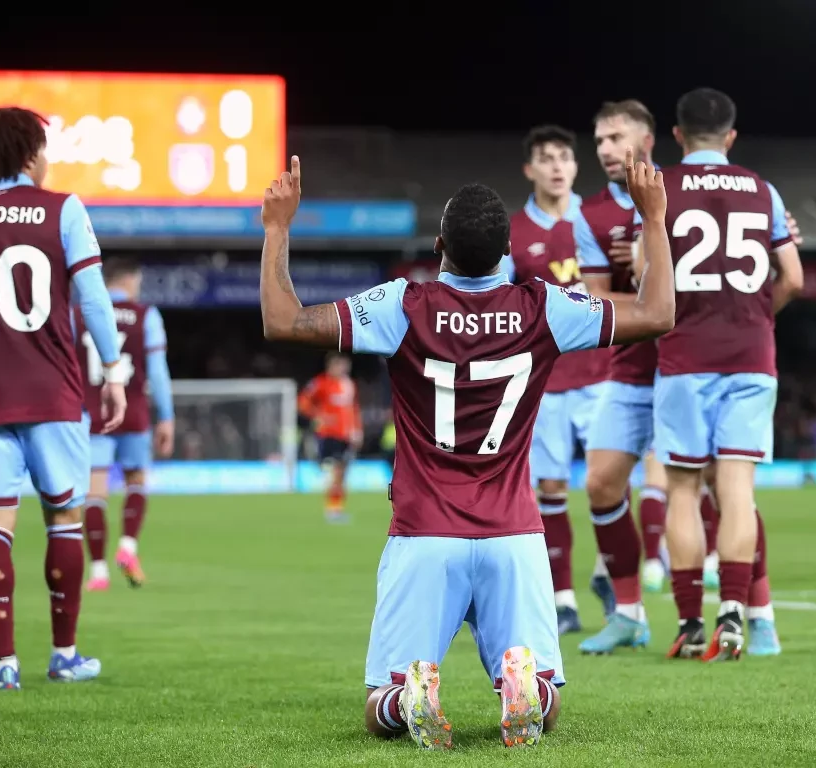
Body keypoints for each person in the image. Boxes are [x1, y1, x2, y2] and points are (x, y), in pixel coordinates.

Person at [258, 151, 674, 748]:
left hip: (424, 535)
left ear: (438, 245)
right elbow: (658, 312)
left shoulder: (402, 306)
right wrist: (652, 217)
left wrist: (278, 227)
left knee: (382, 708)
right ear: (509, 251)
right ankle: (525, 688)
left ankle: (409, 696)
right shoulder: (544, 306)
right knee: (548, 705)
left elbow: (283, 320)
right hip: (515, 537)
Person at [0, 107, 127, 689]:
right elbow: (93, 300)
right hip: (53, 390)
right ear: (27, 154)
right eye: (44, 148)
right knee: (64, 520)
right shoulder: (62, 209)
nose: (48, 159)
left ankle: (4, 665)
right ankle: (64, 655)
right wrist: (113, 368)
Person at [638, 88, 803, 661]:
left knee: (682, 488)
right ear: (731, 137)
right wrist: (757, 314)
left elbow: (644, 275)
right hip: (752, 357)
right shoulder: (763, 189)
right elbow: (795, 277)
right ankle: (734, 612)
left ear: (678, 135)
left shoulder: (663, 186)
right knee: (737, 491)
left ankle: (688, 624)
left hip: (684, 358)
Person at [501, 125, 611, 634]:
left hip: (604, 374)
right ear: (530, 169)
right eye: (545, 158)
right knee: (550, 487)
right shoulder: (514, 233)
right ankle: (564, 600)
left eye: (564, 156)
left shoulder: (598, 221)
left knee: (606, 484)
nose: (556, 166)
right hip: (545, 381)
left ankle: (613, 578)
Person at [573, 100, 663, 653]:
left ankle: (747, 608)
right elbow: (597, 300)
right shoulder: (591, 216)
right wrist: (654, 291)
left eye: (615, 136)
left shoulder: (683, 194)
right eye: (599, 138)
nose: (605, 148)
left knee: (715, 491)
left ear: (647, 137)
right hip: (628, 369)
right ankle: (629, 612)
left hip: (689, 366)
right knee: (602, 483)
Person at [78, 257, 175, 591]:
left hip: (92, 414)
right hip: (133, 411)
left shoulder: (80, 315)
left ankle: (99, 572)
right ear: (131, 279)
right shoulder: (146, 315)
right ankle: (128, 547)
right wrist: (166, 417)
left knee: (94, 493)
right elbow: (158, 372)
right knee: (136, 481)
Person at [297, 352, 362, 523]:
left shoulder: (349, 384)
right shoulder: (321, 383)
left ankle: (336, 508)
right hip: (329, 434)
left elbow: (353, 410)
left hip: (346, 436)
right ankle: (333, 510)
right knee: (337, 471)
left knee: (342, 473)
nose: (343, 368)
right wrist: (318, 415)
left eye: (345, 365)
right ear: (331, 366)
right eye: (340, 365)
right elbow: (303, 401)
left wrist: (357, 430)